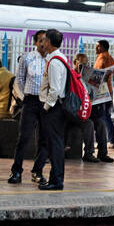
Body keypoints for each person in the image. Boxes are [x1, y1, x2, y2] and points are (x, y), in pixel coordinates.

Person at [33, 28, 73, 191]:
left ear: (48, 42)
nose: (42, 43)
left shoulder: (55, 61)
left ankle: (56, 180)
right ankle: (55, 179)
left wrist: (46, 106)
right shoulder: (59, 58)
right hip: (56, 108)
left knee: (55, 145)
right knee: (54, 144)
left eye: (44, 40)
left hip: (54, 109)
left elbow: (55, 89)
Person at [8, 30, 50, 184]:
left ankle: (37, 171)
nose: (43, 43)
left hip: (46, 103)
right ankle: (16, 171)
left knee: (44, 138)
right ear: (35, 42)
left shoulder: (52, 60)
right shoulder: (27, 58)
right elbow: (19, 79)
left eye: (46, 41)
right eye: (41, 40)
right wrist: (24, 96)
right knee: (24, 137)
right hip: (30, 101)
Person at [89, 40, 114, 160]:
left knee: (101, 117)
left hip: (101, 92)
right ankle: (111, 140)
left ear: (102, 47)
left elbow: (97, 76)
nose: (96, 48)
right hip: (108, 90)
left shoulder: (102, 58)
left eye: (97, 46)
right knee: (106, 116)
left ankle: (107, 143)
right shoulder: (110, 57)